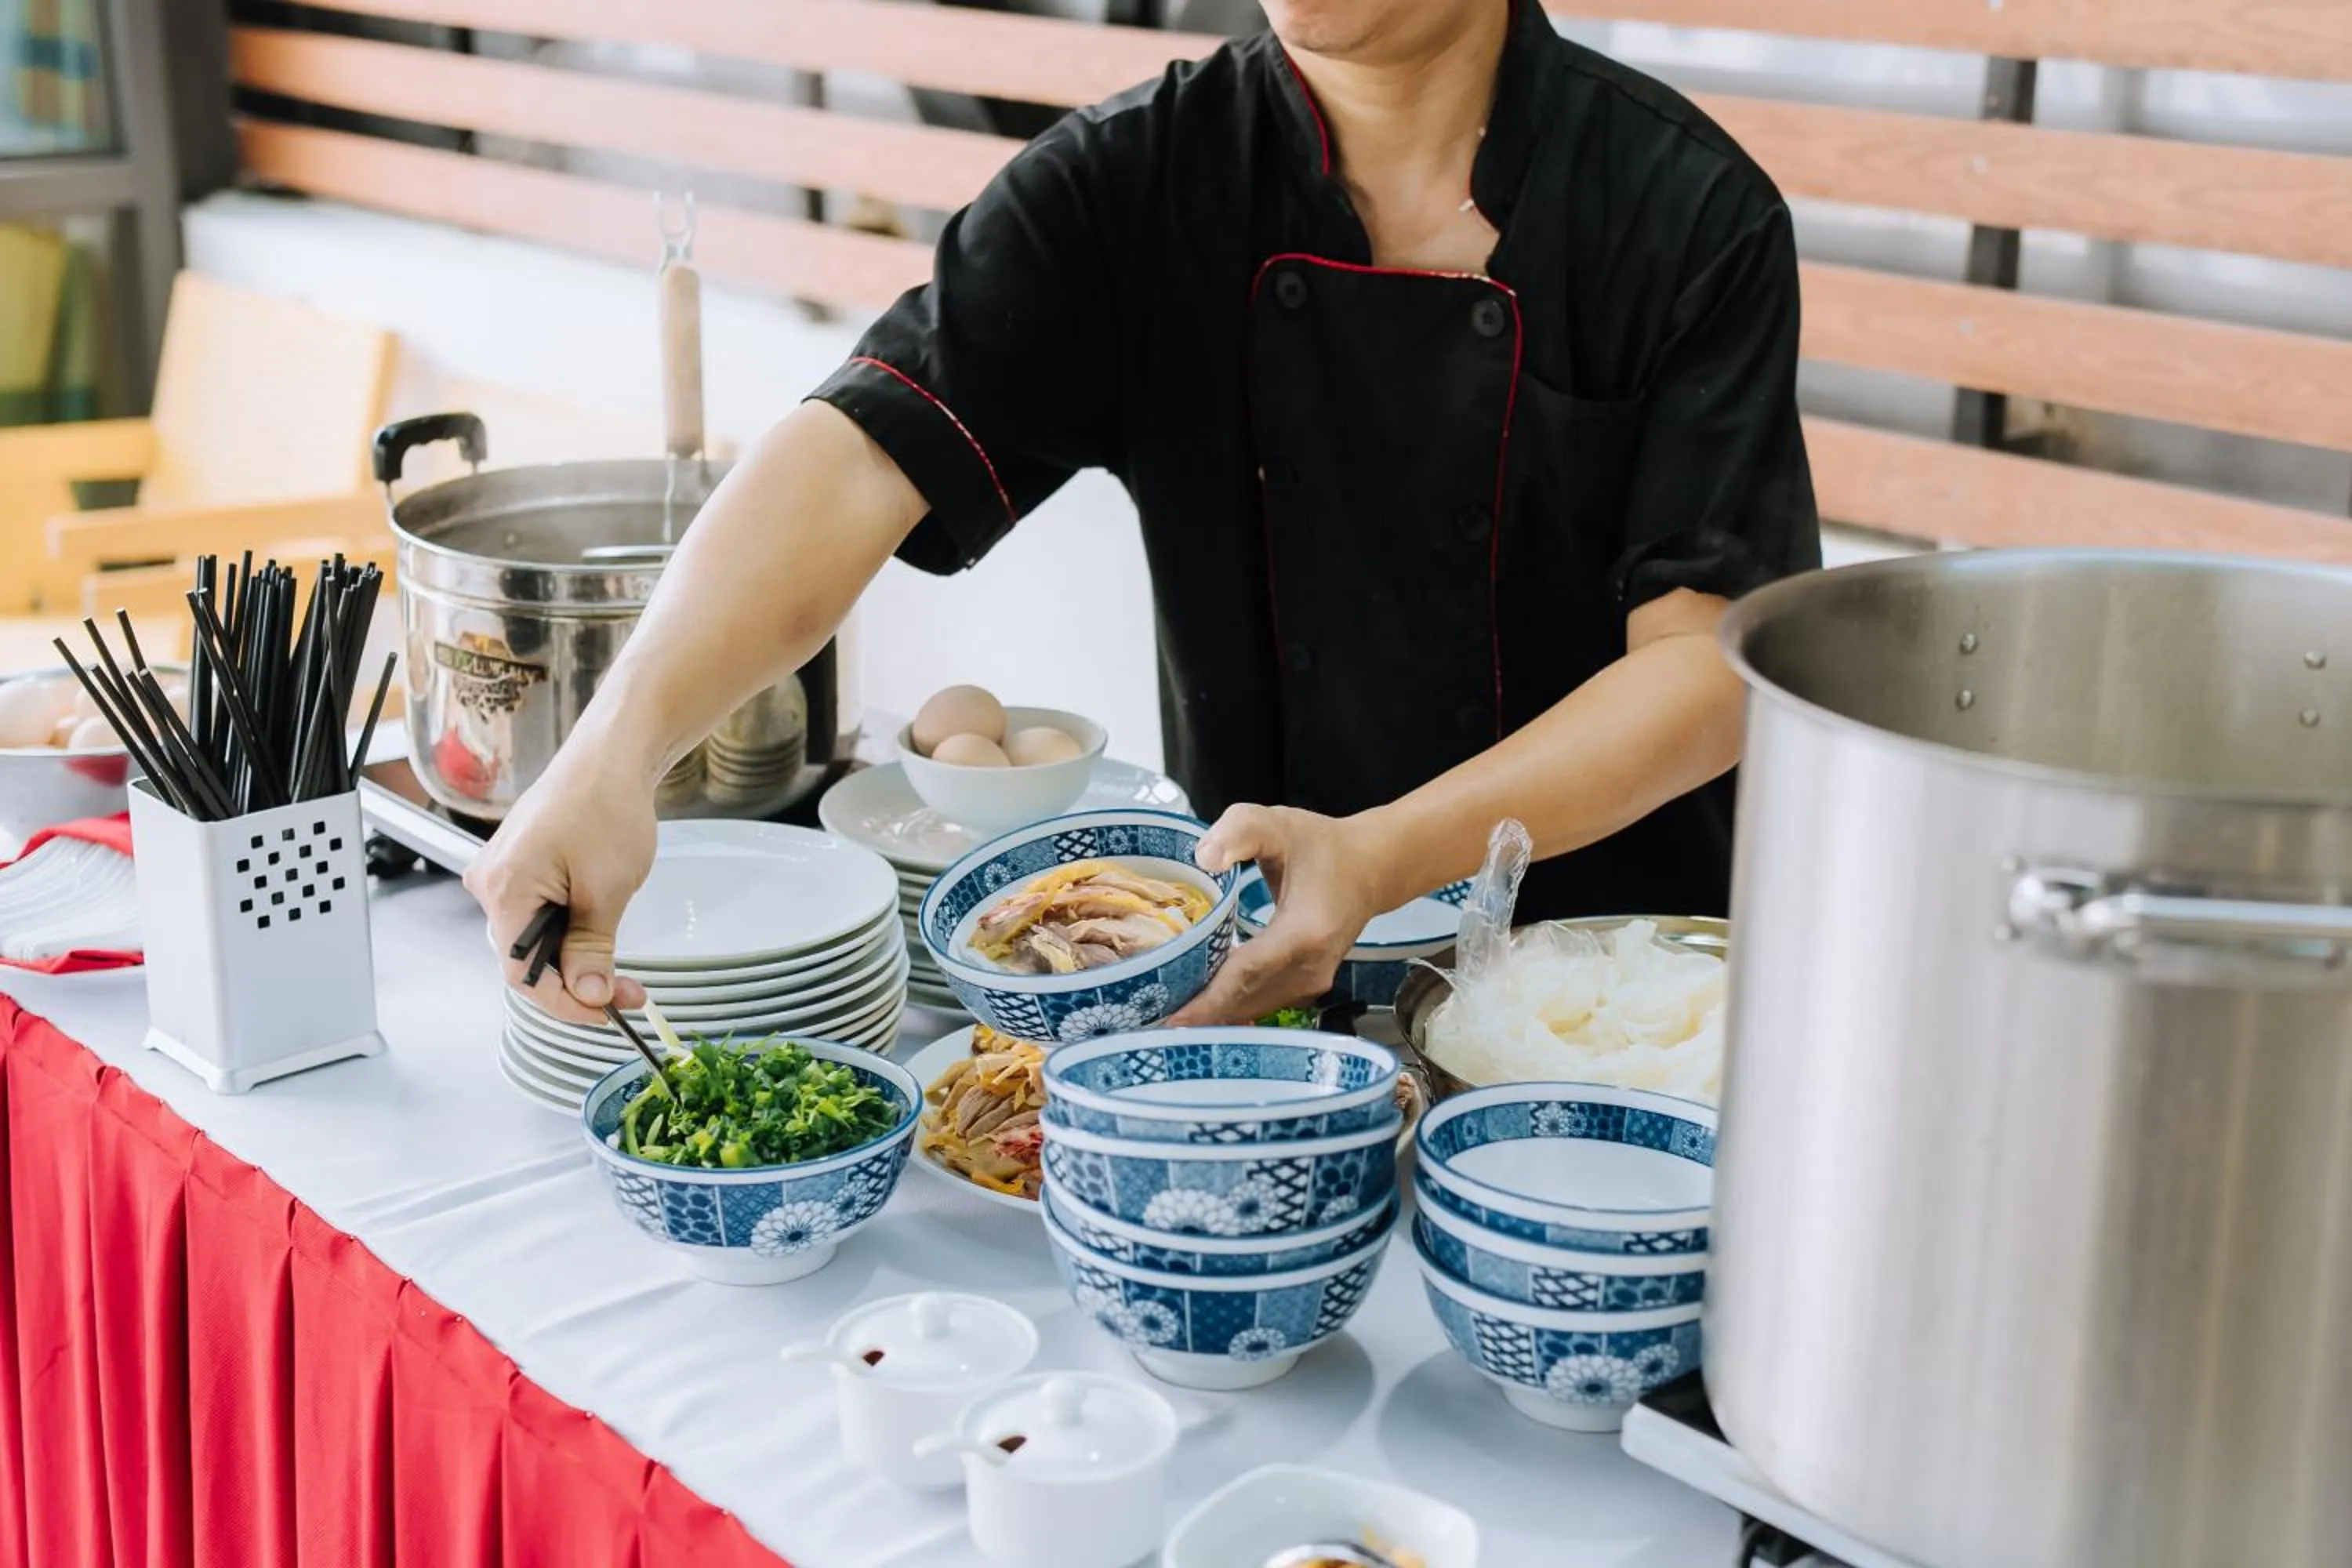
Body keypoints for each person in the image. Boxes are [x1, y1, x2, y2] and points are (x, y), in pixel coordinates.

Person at [465, 0, 1820, 1026]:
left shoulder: (1684, 214)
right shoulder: (1140, 183)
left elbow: (1706, 669)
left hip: (1613, 1017)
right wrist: (612, 750)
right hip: (1261, 988)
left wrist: (1380, 856)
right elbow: (854, 451)